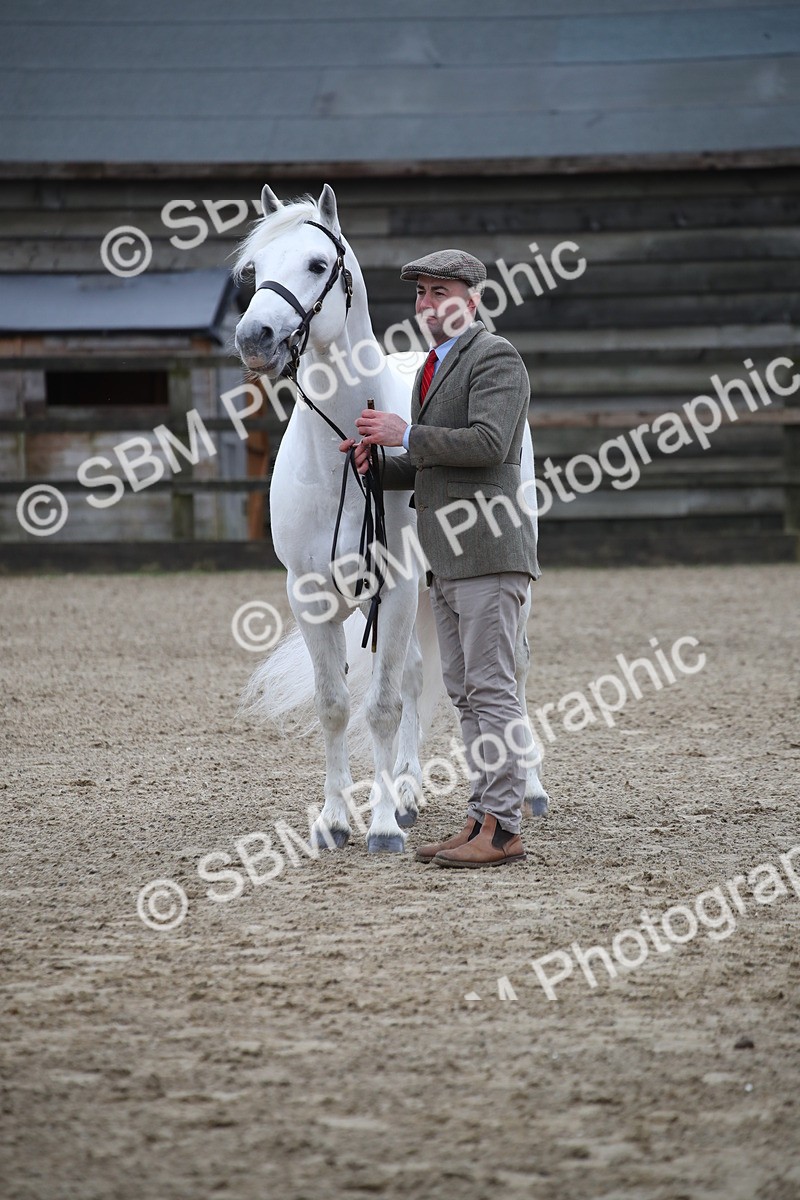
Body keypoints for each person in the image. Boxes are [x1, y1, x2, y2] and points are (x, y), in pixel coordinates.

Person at [340, 249, 540, 868]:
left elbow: (487, 444)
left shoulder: (495, 357)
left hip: (488, 551)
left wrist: (404, 434)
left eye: (440, 291)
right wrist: (382, 465)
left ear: (472, 298)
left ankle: (503, 829)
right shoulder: (436, 365)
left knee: (493, 690)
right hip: (449, 559)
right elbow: (438, 466)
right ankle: (484, 813)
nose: (427, 304)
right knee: (465, 691)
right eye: (421, 293)